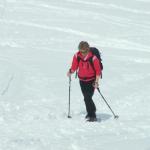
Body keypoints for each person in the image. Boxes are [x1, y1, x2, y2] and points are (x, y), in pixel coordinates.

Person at [67, 41, 102, 121]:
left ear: (88, 50)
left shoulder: (93, 58)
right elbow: (74, 66)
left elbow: (98, 71)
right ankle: (90, 112)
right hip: (82, 80)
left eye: (84, 52)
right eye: (81, 51)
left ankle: (92, 115)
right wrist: (70, 71)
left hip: (91, 80)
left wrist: (96, 82)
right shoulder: (77, 56)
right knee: (86, 97)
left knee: (87, 97)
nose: (82, 53)